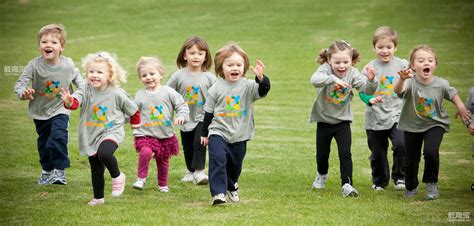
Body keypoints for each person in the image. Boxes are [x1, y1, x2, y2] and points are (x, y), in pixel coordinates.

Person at [60, 51, 140, 206]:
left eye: (99, 72)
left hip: (112, 132)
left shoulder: (117, 93)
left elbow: (134, 110)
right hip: (90, 133)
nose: (94, 75)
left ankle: (117, 176)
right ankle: (98, 198)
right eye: (91, 71)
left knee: (104, 153)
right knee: (96, 168)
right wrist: (69, 102)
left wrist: (136, 127)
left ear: (110, 75)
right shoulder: (85, 89)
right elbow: (76, 101)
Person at [394, 45, 470, 200]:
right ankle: (410, 187)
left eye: (430, 60)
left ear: (435, 65)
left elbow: (453, 94)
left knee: (430, 152)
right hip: (411, 125)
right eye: (420, 60)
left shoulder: (441, 84)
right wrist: (402, 79)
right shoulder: (410, 82)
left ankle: (431, 183)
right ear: (413, 66)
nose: (426, 63)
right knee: (411, 158)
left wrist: (462, 109)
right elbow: (398, 91)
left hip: (435, 124)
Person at [14, 24, 85, 185]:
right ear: (39, 46)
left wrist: (73, 99)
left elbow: (82, 86)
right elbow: (20, 84)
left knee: (58, 136)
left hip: (61, 109)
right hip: (39, 111)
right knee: (44, 143)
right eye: (44, 42)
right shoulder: (34, 65)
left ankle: (59, 172)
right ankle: (47, 170)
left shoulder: (68, 65)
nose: (48, 45)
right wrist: (23, 92)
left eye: (54, 42)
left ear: (62, 47)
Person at [200, 43, 270, 205]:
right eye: (230, 64)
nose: (235, 68)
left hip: (240, 133)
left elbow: (263, 90)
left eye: (239, 65)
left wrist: (261, 78)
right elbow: (208, 112)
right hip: (218, 131)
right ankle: (218, 193)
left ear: (244, 67)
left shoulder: (248, 86)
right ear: (220, 68)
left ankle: (232, 186)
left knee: (235, 165)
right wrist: (204, 133)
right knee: (218, 159)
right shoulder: (216, 88)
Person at [310, 40, 378, 197]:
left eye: (345, 62)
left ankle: (347, 184)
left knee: (345, 153)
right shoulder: (325, 69)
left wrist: (372, 80)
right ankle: (321, 174)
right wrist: (333, 79)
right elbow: (314, 80)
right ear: (329, 60)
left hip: (343, 122)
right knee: (322, 154)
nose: (342, 66)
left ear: (351, 60)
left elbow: (367, 89)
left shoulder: (353, 73)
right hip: (324, 120)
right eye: (337, 62)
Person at [358, 26, 408, 191]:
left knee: (401, 144)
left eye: (389, 47)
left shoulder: (402, 64)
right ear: (374, 48)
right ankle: (379, 181)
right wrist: (370, 98)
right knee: (378, 152)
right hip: (375, 118)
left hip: (397, 114)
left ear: (395, 47)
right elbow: (362, 92)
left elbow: (410, 87)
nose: (384, 51)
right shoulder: (368, 68)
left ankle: (400, 177)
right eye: (380, 47)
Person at [132, 57, 190, 192]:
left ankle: (163, 184)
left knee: (163, 160)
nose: (148, 77)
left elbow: (181, 105)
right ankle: (141, 178)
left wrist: (181, 116)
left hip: (165, 134)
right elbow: (133, 112)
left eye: (152, 74)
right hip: (145, 134)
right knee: (145, 152)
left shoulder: (168, 92)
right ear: (140, 78)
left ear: (161, 74)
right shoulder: (140, 95)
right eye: (144, 75)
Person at [167, 36, 217, 185]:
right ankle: (190, 171)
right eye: (192, 53)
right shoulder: (178, 75)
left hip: (203, 117)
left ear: (205, 56)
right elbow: (168, 93)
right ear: (184, 55)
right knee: (187, 146)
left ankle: (200, 172)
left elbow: (218, 95)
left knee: (199, 143)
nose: (196, 56)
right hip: (185, 117)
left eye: (200, 53)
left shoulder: (209, 77)